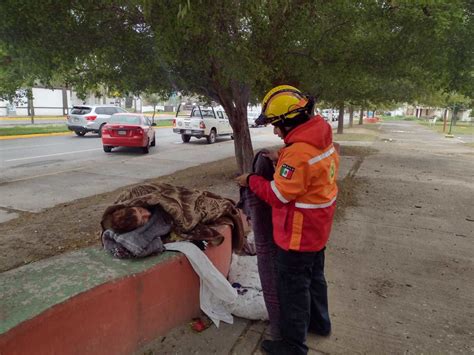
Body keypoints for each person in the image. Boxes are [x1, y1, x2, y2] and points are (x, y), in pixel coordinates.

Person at [236, 85, 339, 355]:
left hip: (297, 235)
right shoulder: (321, 138)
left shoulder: (298, 153)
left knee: (293, 289)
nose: (274, 131)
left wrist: (251, 180)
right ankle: (320, 323)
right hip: (318, 229)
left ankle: (292, 345)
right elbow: (307, 172)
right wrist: (281, 157)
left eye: (275, 124)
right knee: (315, 278)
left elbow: (278, 195)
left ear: (288, 121)